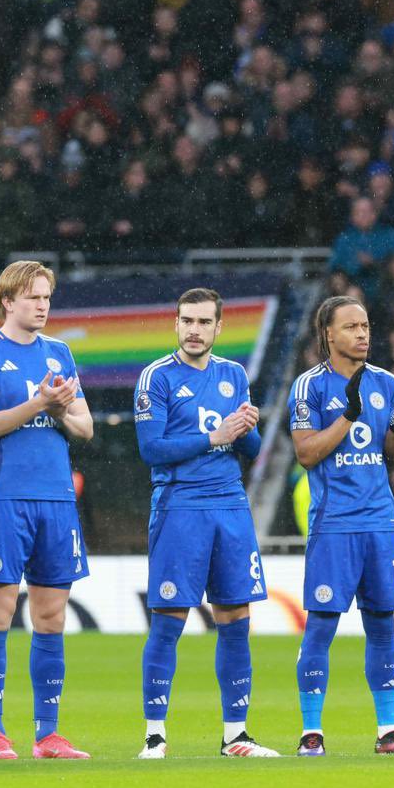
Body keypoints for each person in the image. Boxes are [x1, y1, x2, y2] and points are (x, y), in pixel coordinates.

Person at [132, 288, 277, 760]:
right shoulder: (156, 377)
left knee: (236, 619)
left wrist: (248, 428)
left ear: (219, 327)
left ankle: (236, 735)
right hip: (180, 506)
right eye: (187, 321)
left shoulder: (234, 374)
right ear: (176, 324)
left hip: (231, 506)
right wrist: (215, 435)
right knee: (169, 619)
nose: (194, 330)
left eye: (203, 322)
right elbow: (151, 449)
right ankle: (155, 735)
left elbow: (252, 451)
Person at [288, 295, 394, 756]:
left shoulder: (385, 383)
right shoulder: (309, 387)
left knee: (382, 625)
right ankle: (312, 733)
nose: (363, 333)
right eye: (351, 327)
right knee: (322, 626)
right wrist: (348, 416)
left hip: (381, 523)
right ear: (328, 334)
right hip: (334, 524)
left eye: (366, 325)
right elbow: (307, 453)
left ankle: (388, 730)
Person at [0, 260, 95, 760]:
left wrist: (60, 407)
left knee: (50, 616)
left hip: (57, 500)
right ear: (8, 302)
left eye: (46, 297)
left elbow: (85, 429)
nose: (42, 305)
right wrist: (40, 405)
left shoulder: (59, 353)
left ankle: (48, 734)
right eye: (33, 297)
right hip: (6, 499)